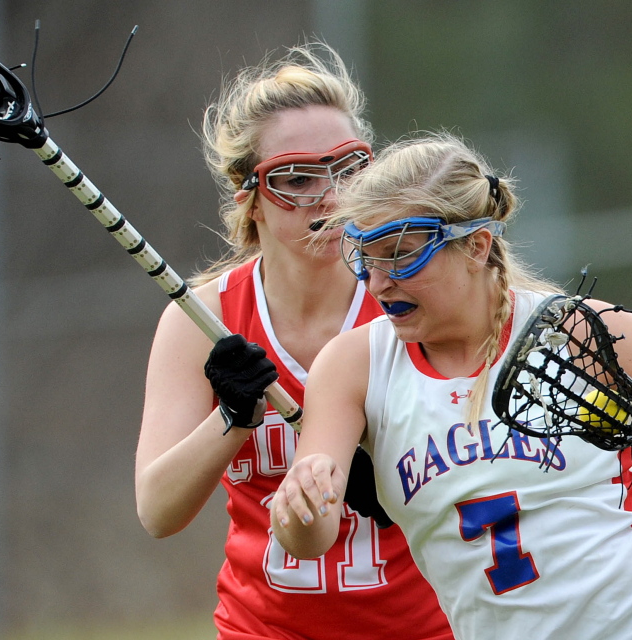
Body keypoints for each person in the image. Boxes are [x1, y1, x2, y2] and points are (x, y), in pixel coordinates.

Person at [270, 132, 632, 640]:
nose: (379, 281)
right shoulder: (355, 366)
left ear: (476, 246)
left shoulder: (578, 334)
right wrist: (300, 507)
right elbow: (309, 539)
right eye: (365, 255)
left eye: (402, 253)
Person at [134, 44, 454, 640]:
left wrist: (404, 480)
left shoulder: (411, 304)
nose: (329, 197)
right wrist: (231, 418)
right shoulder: (202, 321)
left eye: (348, 168)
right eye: (295, 178)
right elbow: (157, 510)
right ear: (249, 199)